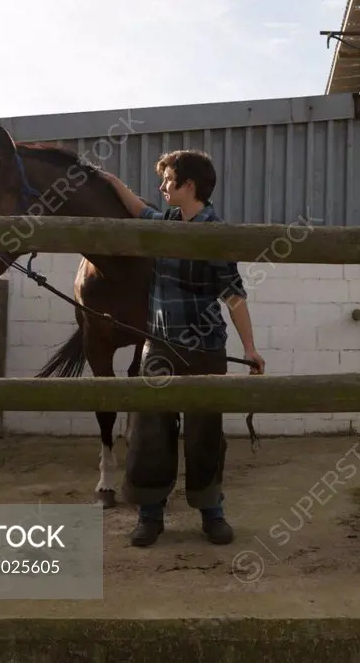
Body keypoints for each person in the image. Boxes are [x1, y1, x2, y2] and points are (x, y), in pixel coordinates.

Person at [98, 149, 265, 547]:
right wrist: (110, 182)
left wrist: (251, 349)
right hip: (158, 346)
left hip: (205, 348)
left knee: (205, 429)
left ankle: (212, 511)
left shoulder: (215, 233)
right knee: (150, 428)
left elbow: (234, 296)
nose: (162, 187)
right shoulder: (168, 221)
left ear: (189, 186)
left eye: (168, 180)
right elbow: (140, 209)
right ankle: (150, 515)